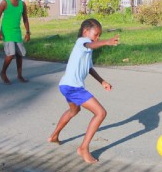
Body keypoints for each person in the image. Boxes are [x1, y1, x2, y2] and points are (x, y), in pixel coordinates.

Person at [48, 19, 119, 163]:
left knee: (74, 111)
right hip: (73, 87)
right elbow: (90, 44)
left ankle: (54, 136)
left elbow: (89, 68)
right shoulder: (82, 43)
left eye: (100, 36)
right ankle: (83, 148)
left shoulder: (86, 50)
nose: (97, 38)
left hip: (66, 85)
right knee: (100, 113)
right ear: (86, 32)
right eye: (96, 34)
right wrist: (105, 42)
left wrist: (102, 81)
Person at [0, 0, 31, 84]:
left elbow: (25, 19)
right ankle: (3, 72)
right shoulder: (4, 3)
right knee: (11, 54)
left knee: (20, 54)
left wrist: (28, 32)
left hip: (17, 31)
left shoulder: (22, 4)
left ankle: (19, 75)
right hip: (7, 32)